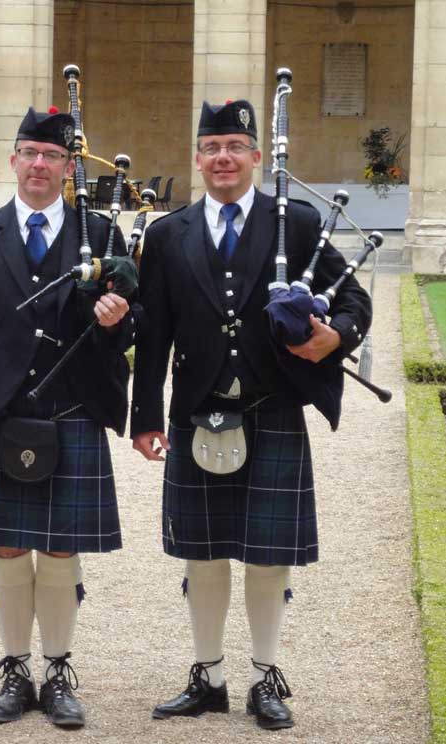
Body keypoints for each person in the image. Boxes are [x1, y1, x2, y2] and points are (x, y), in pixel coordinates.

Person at [131, 99, 371, 730]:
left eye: (235, 146)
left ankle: (266, 678)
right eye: (211, 147)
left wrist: (335, 336)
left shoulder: (295, 220)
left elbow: (353, 298)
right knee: (203, 557)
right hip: (198, 411)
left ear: (257, 157)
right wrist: (145, 417)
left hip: (273, 410)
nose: (223, 158)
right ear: (198, 158)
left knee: (269, 557)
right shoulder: (168, 233)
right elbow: (152, 336)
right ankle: (208, 677)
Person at [0, 107, 139, 728]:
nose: (39, 165)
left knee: (58, 547)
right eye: (29, 152)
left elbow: (132, 325)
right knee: (6, 545)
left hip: (70, 407)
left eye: (52, 156)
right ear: (13, 160)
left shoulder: (100, 233)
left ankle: (57, 671)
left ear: (69, 166)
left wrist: (116, 320)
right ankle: (15, 669)